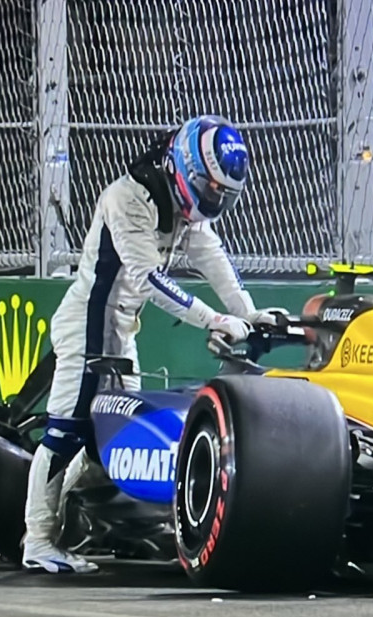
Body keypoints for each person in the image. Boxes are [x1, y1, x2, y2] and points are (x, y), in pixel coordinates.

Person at [22, 114, 286, 574]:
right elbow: (148, 279)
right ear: (185, 168)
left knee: (108, 439)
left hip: (121, 332)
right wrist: (214, 319)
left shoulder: (183, 210)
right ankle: (37, 541)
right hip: (87, 327)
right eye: (211, 188)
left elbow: (213, 257)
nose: (214, 199)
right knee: (65, 433)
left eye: (223, 194)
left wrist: (247, 311)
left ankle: (57, 527)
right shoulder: (125, 198)